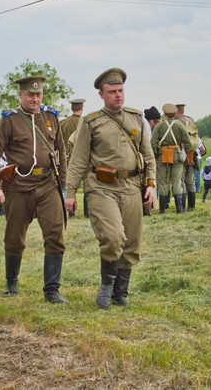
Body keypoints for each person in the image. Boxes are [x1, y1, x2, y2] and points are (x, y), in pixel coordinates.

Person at [65, 68, 156, 309]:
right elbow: (78, 160)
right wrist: (70, 192)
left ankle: (120, 292)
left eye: (121, 90)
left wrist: (152, 184)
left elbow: (148, 154)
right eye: (112, 92)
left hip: (132, 186)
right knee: (113, 236)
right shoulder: (91, 122)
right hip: (102, 187)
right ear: (101, 94)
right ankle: (106, 285)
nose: (118, 95)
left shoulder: (136, 118)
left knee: (132, 242)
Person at [0, 76, 68, 303]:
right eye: (30, 94)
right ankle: (12, 283)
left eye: (38, 94)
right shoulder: (9, 120)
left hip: (48, 185)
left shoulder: (51, 117)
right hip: (19, 187)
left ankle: (52, 289)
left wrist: (64, 184)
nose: (35, 98)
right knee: (14, 238)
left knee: (55, 236)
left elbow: (61, 151)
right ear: (21, 95)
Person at [150, 103, 191, 213]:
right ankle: (179, 209)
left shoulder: (159, 126)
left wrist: (157, 153)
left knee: (163, 183)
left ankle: (162, 210)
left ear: (165, 114)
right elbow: (188, 143)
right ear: (174, 113)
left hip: (162, 156)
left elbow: (153, 143)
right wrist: (183, 153)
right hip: (177, 156)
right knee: (177, 182)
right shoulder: (180, 125)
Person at [175, 103, 201, 211]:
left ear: (177, 112)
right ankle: (192, 206)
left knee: (181, 180)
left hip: (181, 153)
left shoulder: (177, 123)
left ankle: (183, 206)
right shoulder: (190, 121)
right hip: (191, 153)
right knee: (190, 180)